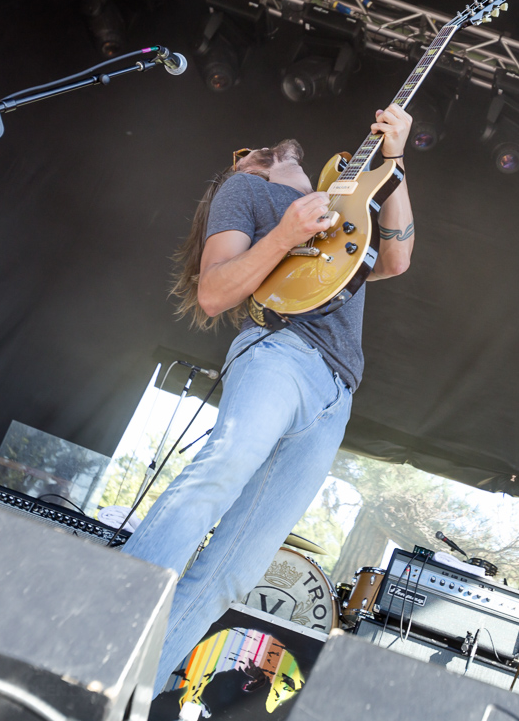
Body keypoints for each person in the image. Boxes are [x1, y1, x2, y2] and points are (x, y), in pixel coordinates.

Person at [123, 104, 415, 688]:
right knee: (218, 471)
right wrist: (286, 232)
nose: (283, 151)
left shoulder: (342, 205)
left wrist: (396, 157)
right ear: (250, 168)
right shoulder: (244, 193)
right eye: (264, 153)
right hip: (279, 354)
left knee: (240, 568)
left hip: (337, 395)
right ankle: (104, 633)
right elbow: (213, 292)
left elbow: (399, 258)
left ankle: (126, 690)